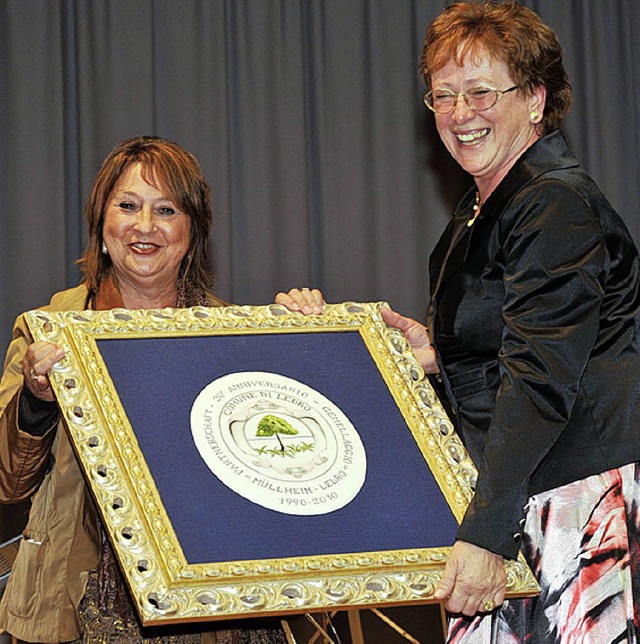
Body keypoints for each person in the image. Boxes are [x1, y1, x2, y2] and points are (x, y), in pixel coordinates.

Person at [277, 2, 640, 642]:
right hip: (518, 495)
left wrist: (484, 533)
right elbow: (523, 338)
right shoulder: (481, 212)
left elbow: (540, 376)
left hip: (570, 505)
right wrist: (443, 355)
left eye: (479, 92)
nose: (459, 113)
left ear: (535, 99)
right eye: (443, 96)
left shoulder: (554, 203)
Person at [0, 136, 288, 643]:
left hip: (215, 612)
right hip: (79, 611)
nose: (145, 227)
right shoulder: (49, 330)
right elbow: (7, 483)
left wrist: (307, 339)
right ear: (101, 221)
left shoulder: (235, 335)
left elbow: (275, 477)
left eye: (166, 210)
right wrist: (36, 401)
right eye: (128, 206)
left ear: (193, 229)